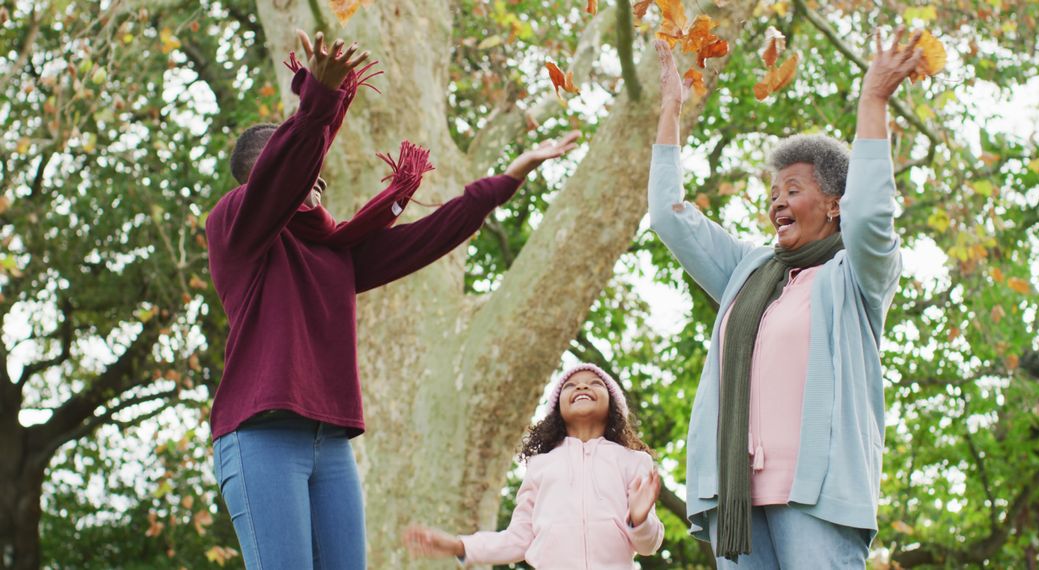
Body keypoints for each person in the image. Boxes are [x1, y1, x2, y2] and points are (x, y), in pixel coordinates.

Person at [206, 29, 580, 569]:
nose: (315, 179)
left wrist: (506, 180)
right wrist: (319, 104)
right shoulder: (237, 226)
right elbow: (278, 181)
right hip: (261, 437)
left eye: (317, 174)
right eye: (298, 167)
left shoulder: (337, 254)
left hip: (330, 444)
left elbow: (424, 239)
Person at [648, 27, 920, 568]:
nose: (778, 202)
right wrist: (671, 111)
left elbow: (871, 214)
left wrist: (873, 101)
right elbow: (669, 219)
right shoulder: (750, 270)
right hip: (738, 499)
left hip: (817, 498)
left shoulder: (856, 273)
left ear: (834, 204)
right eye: (773, 193)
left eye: (793, 190)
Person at [402, 364, 665, 569]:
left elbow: (648, 545)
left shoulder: (633, 462)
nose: (582, 387)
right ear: (557, 410)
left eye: (595, 383)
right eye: (570, 385)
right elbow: (517, 540)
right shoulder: (541, 467)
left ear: (614, 407)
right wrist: (459, 545)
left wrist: (639, 519)